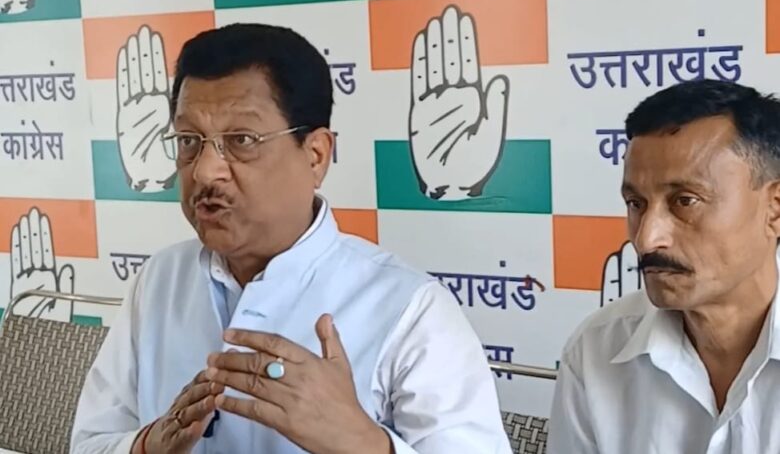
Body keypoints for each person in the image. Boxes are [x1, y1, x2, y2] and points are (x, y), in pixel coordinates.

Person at [70, 23, 511, 454]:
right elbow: (90, 441)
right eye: (189, 140)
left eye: (241, 139)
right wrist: (145, 446)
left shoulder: (411, 309)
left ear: (316, 155)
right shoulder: (159, 280)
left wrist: (362, 443)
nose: (205, 171)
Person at [548, 79, 780, 453]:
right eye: (636, 204)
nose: (646, 239)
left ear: (775, 209)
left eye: (685, 201)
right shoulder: (596, 351)